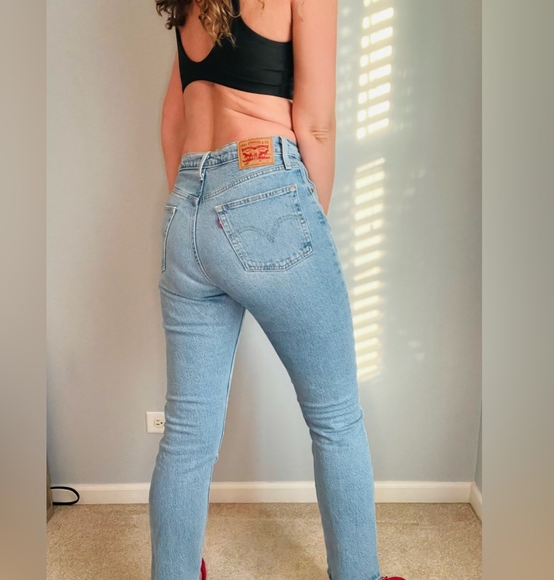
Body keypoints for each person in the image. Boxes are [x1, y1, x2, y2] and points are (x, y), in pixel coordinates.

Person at [148, 1, 406, 579]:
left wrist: (201, 215)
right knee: (336, 419)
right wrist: (303, 222)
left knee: (187, 435)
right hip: (266, 184)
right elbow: (315, 124)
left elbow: (172, 119)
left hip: (186, 209)